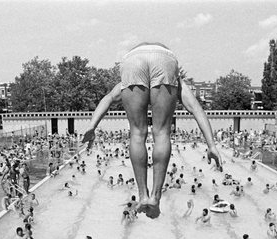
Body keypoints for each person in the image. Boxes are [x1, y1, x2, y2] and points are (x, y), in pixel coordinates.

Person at [82, 42, 222, 218]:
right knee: (162, 133)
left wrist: (92, 125)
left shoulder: (123, 81)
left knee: (137, 133)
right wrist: (211, 145)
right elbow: (195, 108)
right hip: (163, 57)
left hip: (133, 59)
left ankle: (142, 196)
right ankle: (155, 197)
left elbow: (108, 98)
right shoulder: (177, 82)